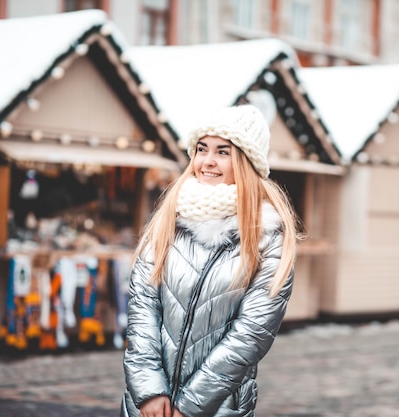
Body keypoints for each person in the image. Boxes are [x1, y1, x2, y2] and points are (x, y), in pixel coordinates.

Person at [120, 104, 302, 417]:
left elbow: (251, 334)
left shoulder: (268, 237)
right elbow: (142, 309)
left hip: (215, 409)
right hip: (148, 409)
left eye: (223, 151)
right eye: (202, 149)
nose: (207, 161)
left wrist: (189, 407)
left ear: (246, 162)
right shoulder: (170, 220)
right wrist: (149, 390)